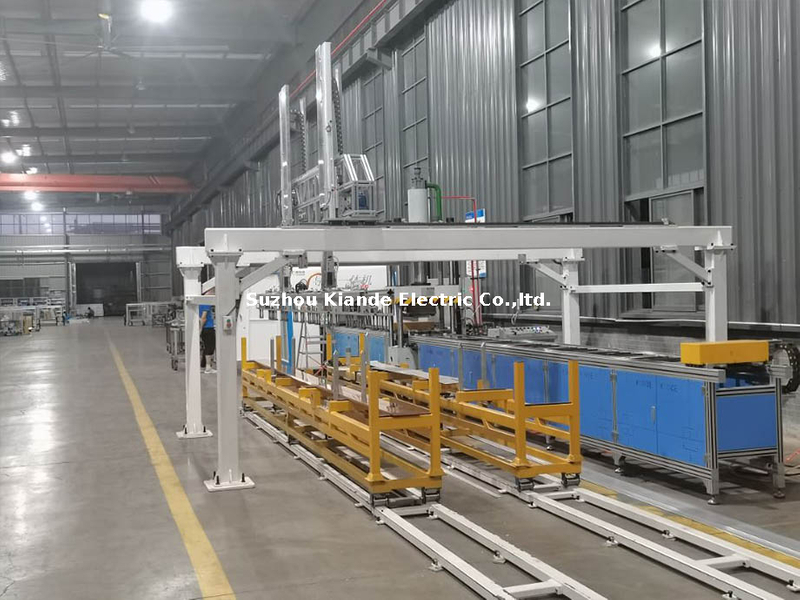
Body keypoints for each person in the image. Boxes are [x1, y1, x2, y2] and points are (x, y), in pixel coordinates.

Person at [199, 304, 216, 374]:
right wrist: (200, 329)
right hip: (208, 328)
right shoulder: (206, 303)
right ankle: (208, 367)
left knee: (206, 347)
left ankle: (203, 366)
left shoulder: (199, 303)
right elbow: (203, 317)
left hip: (204, 328)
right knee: (210, 347)